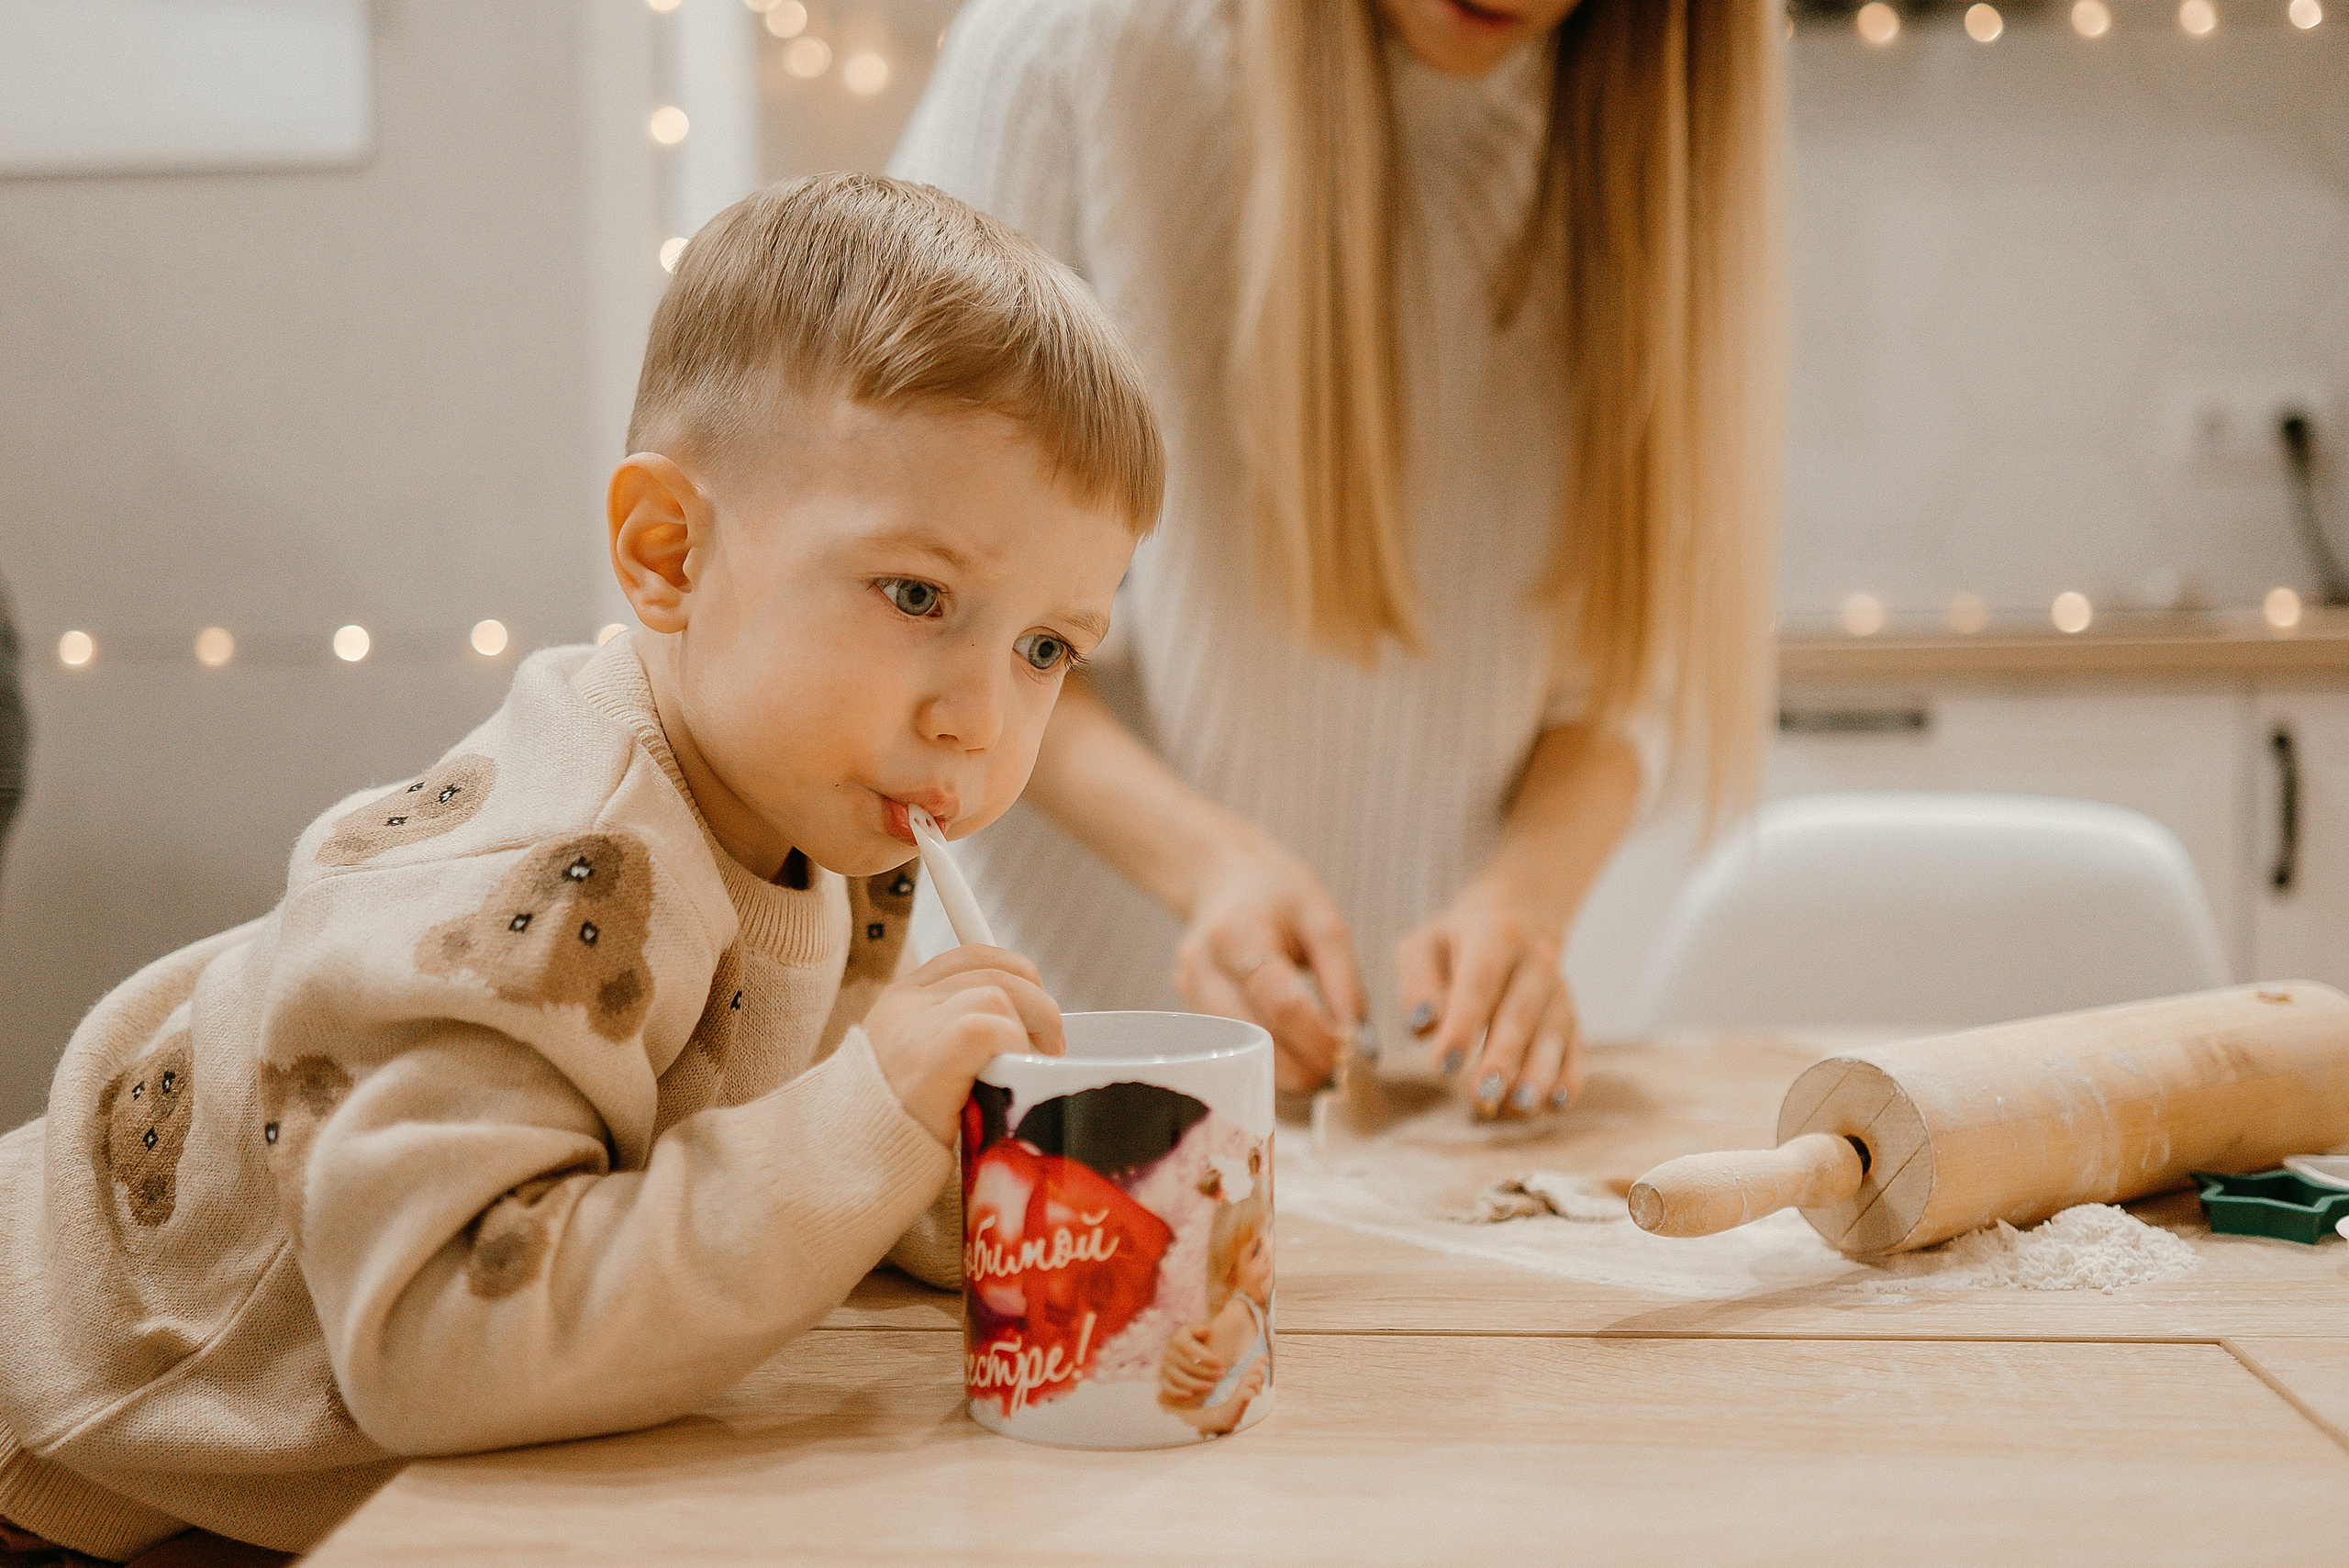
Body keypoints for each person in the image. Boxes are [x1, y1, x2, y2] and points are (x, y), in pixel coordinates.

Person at [0, 173, 1160, 1563]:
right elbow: (437, 1334)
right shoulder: (549, 884)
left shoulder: (829, 809)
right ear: (666, 554)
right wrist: (866, 1116)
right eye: (916, 596)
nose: (980, 714)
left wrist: (963, 1181)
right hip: (68, 1459)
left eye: (1048, 648)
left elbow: (724, 1129)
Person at [892, 0, 1783, 1117]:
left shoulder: (1655, 124)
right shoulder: (1066, 57)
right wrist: (1207, 864)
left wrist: (1521, 903)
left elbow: (1620, 677)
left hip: (1406, 1107)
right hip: (1054, 1074)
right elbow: (928, 622)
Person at [1157, 1152, 1273, 1436]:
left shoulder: (1260, 1311)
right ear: (1234, 1276)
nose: (1270, 1253)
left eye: (1270, 1230)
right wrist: (1224, 1412)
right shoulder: (1238, 1316)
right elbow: (1175, 1414)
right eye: (1255, 1251)